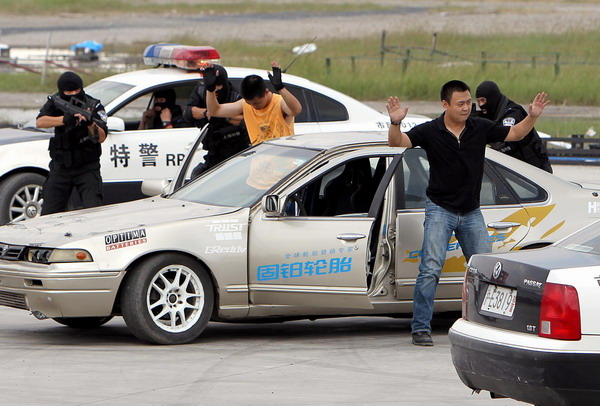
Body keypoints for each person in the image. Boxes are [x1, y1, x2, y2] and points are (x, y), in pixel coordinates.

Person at [387, 80, 549, 346]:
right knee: (430, 268)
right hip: (440, 209)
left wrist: (532, 116)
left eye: (468, 102)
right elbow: (397, 143)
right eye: (460, 103)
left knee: (488, 271)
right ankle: (420, 328)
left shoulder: (479, 128)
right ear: (445, 105)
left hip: (472, 212)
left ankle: (488, 325)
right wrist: (395, 123)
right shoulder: (430, 131)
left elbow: (516, 134)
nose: (466, 107)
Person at [36, 71, 108, 215]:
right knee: (49, 214)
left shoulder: (93, 105)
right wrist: (64, 119)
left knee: (94, 212)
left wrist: (90, 123)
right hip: (61, 167)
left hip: (87, 167)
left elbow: (102, 137)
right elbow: (40, 122)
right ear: (62, 91)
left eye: (77, 90)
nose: (74, 94)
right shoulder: (55, 102)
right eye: (69, 92)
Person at [203, 61, 302, 144]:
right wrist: (210, 90)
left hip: (284, 165)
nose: (254, 106)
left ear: (266, 92)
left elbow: (296, 110)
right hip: (259, 165)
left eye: (257, 103)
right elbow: (215, 111)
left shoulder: (279, 102)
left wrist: (281, 88)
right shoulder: (245, 105)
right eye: (250, 103)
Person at [183, 64, 250, 177]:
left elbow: (246, 120)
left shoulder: (236, 96)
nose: (217, 90)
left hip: (236, 154)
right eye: (214, 87)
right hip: (213, 153)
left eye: (219, 85)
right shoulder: (201, 91)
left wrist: (221, 114)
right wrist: (206, 113)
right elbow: (188, 112)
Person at [476, 80, 553, 173]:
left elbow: (506, 142)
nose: (481, 105)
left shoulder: (512, 114)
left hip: (535, 168)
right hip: (516, 169)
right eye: (478, 101)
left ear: (492, 98)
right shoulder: (493, 113)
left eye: (483, 100)